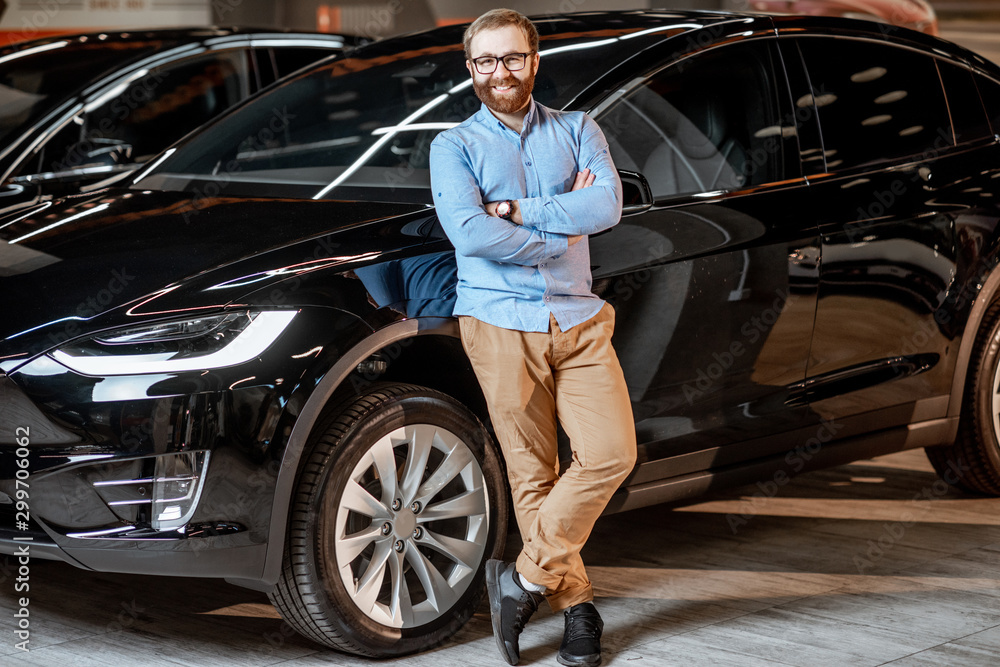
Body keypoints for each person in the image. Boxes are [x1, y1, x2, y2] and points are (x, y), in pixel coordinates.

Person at [429, 8, 637, 667]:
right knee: (533, 473)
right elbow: (470, 233)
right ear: (470, 70)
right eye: (486, 62)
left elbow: (606, 206)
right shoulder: (453, 146)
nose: (500, 73)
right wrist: (560, 229)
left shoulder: (578, 129)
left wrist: (520, 210)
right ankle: (576, 607)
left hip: (577, 319)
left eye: (512, 58)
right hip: (498, 325)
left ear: (534, 61)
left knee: (609, 452)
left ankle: (519, 579)